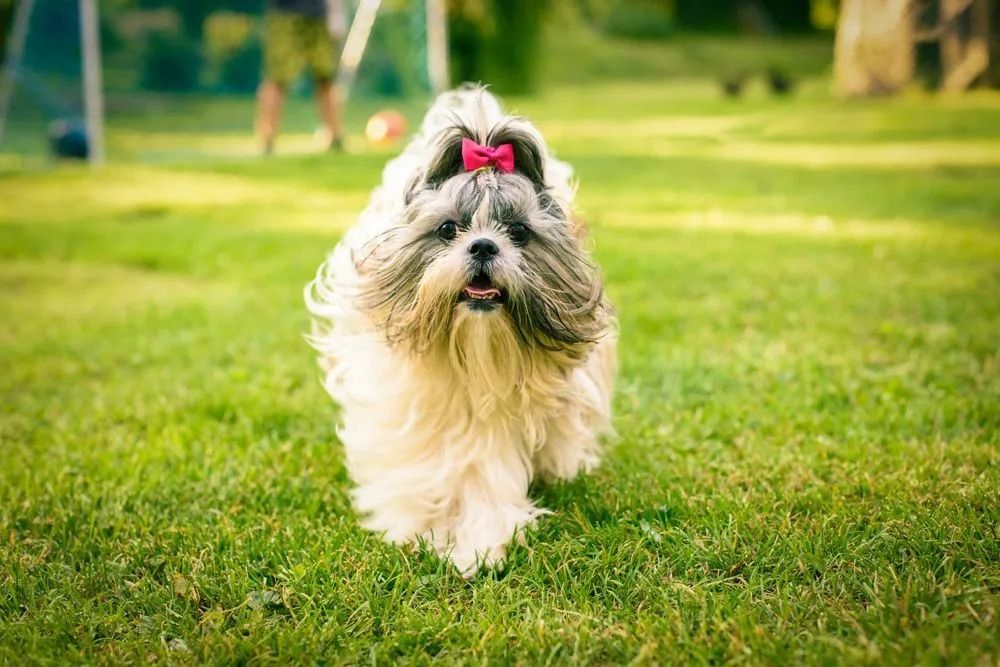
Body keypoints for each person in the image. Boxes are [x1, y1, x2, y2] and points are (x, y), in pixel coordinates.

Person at [256, 0, 345, 154]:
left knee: (325, 78)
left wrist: (335, 13)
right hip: (284, 14)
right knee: (277, 79)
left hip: (317, 16)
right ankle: (267, 140)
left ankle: (335, 137)